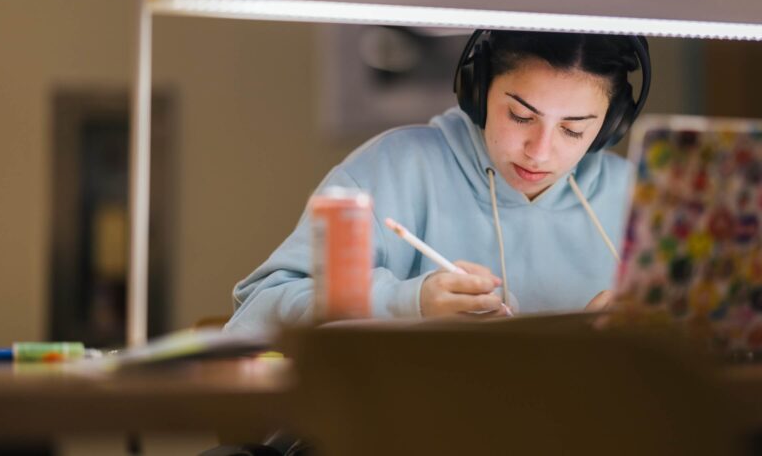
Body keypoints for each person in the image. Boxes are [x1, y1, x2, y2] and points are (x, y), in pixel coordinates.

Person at [225, 29, 651, 338]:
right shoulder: (396, 167)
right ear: (478, 91)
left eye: (573, 130)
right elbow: (252, 320)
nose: (539, 152)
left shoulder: (640, 200)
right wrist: (412, 303)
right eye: (521, 116)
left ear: (612, 125)